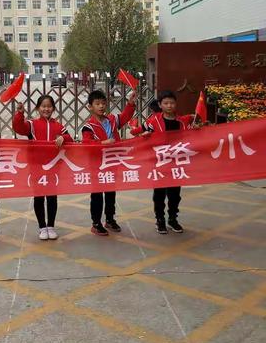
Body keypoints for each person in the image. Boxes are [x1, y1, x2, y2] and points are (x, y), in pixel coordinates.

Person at [131, 90, 194, 234]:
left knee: (175, 194)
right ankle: (160, 220)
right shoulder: (154, 121)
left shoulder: (181, 122)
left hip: (176, 164)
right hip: (158, 163)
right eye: (166, 103)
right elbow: (136, 132)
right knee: (159, 194)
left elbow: (192, 135)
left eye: (172, 103)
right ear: (160, 105)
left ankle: (173, 219)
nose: (169, 105)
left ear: (176, 104)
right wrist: (143, 135)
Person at [13, 95, 73, 240]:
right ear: (38, 108)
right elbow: (18, 128)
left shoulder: (58, 126)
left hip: (53, 167)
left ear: (53, 108)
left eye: (49, 106)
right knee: (39, 197)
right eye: (43, 106)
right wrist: (20, 113)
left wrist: (63, 138)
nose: (46, 109)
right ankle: (42, 227)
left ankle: (51, 226)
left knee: (52, 197)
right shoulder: (32, 124)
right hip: (36, 167)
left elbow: (70, 138)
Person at [82, 89, 137, 236]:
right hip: (97, 166)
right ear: (90, 107)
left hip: (113, 163)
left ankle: (110, 219)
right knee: (97, 195)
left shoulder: (112, 120)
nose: (101, 106)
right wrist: (103, 142)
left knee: (111, 193)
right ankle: (96, 223)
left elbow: (125, 117)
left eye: (103, 103)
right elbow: (86, 145)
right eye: (97, 103)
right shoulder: (88, 127)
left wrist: (131, 104)